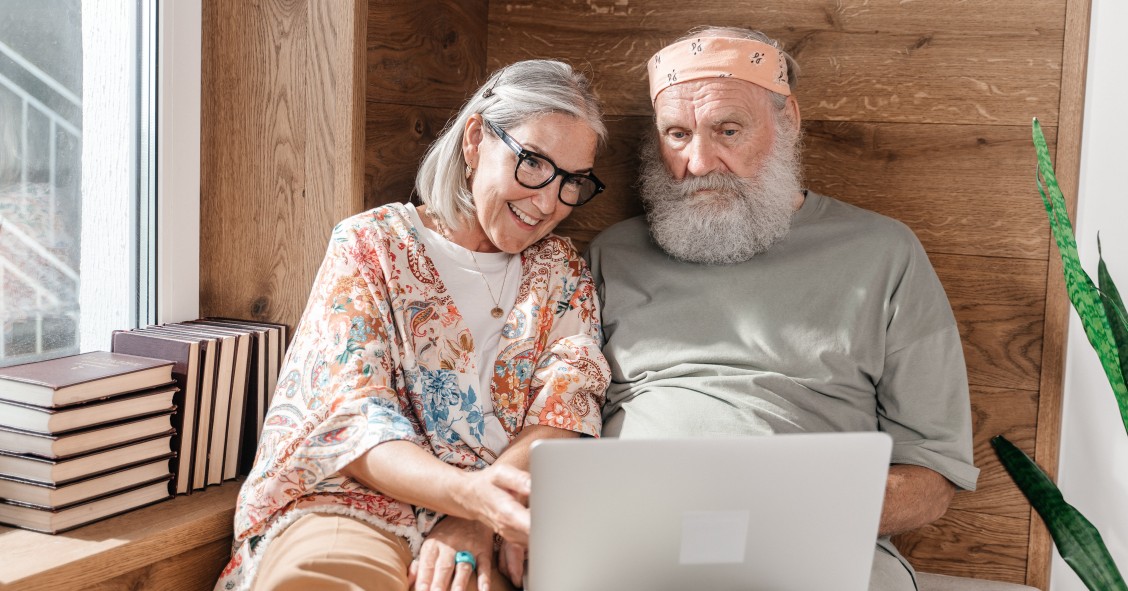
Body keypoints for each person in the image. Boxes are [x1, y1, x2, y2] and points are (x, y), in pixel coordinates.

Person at [586, 27, 979, 591]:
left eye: (727, 129)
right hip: (640, 540)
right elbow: (557, 422)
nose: (699, 162)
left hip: (812, 544)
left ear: (787, 119)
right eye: (677, 134)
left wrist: (770, 516)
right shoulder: (611, 255)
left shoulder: (883, 253)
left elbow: (931, 478)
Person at [215, 59, 611, 591]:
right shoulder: (371, 245)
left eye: (571, 182)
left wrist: (481, 515)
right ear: (476, 140)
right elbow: (353, 421)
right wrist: (468, 497)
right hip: (358, 506)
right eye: (533, 163)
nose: (547, 202)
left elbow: (565, 409)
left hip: (509, 513)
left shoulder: (561, 270)